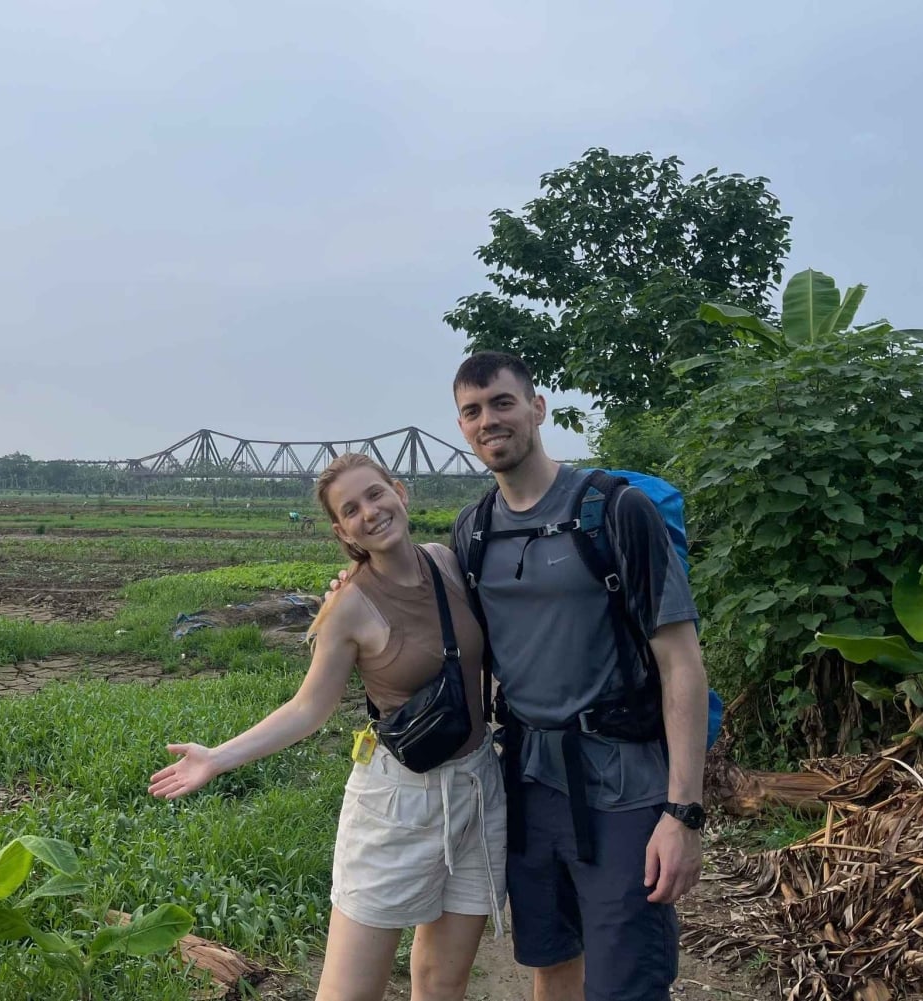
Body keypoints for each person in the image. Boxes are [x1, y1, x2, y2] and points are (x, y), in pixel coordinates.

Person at [151, 453, 506, 1001]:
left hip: (479, 792)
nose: (371, 512)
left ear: (400, 492)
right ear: (342, 530)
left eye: (375, 494)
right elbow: (307, 709)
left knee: (442, 983)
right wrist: (217, 757)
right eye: (351, 509)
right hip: (399, 804)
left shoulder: (446, 563)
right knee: (349, 991)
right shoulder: (348, 605)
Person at [450, 352, 707, 1001]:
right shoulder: (472, 531)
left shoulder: (615, 511)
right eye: (472, 410)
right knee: (551, 960)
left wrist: (683, 813)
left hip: (622, 785)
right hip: (528, 782)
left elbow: (682, 663)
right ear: (462, 426)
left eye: (503, 402)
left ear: (537, 409)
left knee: (627, 978)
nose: (489, 420)